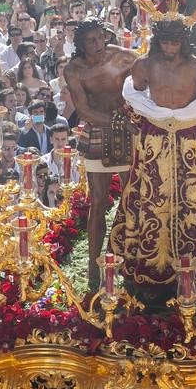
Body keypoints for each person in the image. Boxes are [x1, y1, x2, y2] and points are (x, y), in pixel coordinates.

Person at [109, 12, 196, 292]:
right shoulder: (143, 66)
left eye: (174, 42)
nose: (169, 48)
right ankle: (152, 267)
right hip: (154, 141)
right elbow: (134, 98)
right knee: (150, 198)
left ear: (184, 41)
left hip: (191, 140)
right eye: (165, 42)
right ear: (158, 41)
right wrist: (149, 121)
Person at [64, 19, 136, 288]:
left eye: (99, 38)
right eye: (90, 41)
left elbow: (150, 72)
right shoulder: (73, 70)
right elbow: (83, 111)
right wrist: (118, 122)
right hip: (98, 130)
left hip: (128, 128)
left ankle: (131, 259)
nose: (96, 45)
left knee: (132, 197)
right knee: (98, 201)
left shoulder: (124, 56)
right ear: (80, 45)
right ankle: (94, 268)